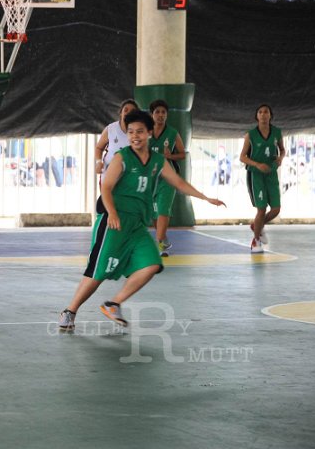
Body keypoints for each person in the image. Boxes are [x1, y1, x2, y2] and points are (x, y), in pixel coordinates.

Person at [58, 110, 224, 331]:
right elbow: (106, 188)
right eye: (130, 132)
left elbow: (178, 182)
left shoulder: (157, 160)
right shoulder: (122, 157)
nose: (134, 136)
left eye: (139, 131)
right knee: (98, 272)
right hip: (113, 222)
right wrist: (113, 214)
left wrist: (205, 197)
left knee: (152, 264)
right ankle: (70, 311)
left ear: (149, 133)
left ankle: (113, 303)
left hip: (136, 223)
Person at [239, 104, 285, 253]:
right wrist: (257, 164)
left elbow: (282, 149)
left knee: (276, 209)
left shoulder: (277, 132)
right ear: (256, 116)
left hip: (271, 173)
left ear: (270, 115)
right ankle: (256, 240)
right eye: (260, 112)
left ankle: (256, 226)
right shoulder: (250, 135)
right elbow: (242, 157)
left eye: (266, 112)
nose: (264, 114)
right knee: (261, 209)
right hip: (256, 174)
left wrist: (280, 158)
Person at [148, 99, 186, 257]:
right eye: (157, 112)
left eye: (163, 112)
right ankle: (162, 238)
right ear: (152, 114)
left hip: (167, 177)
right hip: (149, 177)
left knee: (163, 210)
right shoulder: (145, 132)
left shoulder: (172, 133)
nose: (160, 115)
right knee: (155, 213)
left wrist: (171, 155)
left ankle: (159, 246)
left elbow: (182, 154)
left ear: (167, 115)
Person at [94, 98, 140, 176]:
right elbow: (99, 148)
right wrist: (99, 162)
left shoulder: (140, 133)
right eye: (126, 110)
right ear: (121, 113)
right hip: (109, 176)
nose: (128, 113)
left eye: (132, 111)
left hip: (129, 178)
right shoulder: (110, 129)